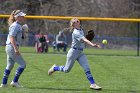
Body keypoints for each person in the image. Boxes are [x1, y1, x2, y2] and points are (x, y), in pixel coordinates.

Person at [48, 18, 102, 90]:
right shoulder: (76, 32)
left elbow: (83, 40)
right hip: (73, 53)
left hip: (80, 53)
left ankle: (93, 84)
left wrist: (87, 38)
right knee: (66, 70)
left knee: (87, 68)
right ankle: (55, 68)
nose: (78, 20)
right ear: (74, 24)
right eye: (76, 21)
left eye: (78, 20)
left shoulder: (81, 30)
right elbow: (84, 40)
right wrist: (92, 44)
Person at [0, 10, 27, 88]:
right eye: (22, 16)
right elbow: (11, 38)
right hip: (11, 47)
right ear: (18, 17)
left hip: (10, 47)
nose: (23, 17)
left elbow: (21, 38)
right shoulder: (15, 25)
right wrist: (15, 49)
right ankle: (14, 81)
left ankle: (4, 83)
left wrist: (25, 32)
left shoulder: (18, 25)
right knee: (23, 64)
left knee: (10, 65)